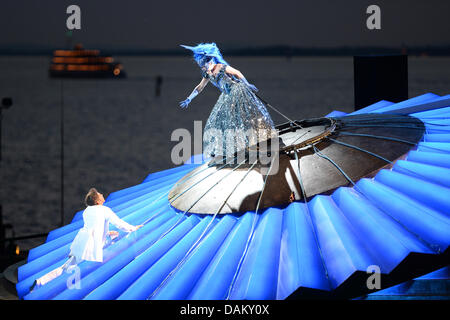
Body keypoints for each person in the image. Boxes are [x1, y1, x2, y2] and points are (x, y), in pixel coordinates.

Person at [30, 188, 143, 291]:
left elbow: (93, 226)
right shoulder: (104, 210)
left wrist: (108, 233)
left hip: (81, 242)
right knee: (91, 270)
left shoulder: (87, 211)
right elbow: (119, 223)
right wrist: (133, 228)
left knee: (66, 267)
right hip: (90, 246)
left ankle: (41, 281)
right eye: (99, 194)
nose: (102, 194)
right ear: (97, 201)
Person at [180, 42, 277, 162]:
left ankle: (257, 139)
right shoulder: (207, 74)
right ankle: (229, 147)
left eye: (204, 65)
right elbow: (200, 87)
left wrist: (248, 84)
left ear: (210, 61)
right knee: (219, 119)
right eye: (201, 67)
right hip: (227, 95)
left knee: (244, 116)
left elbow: (237, 73)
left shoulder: (221, 67)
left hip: (237, 90)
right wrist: (189, 98)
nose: (203, 68)